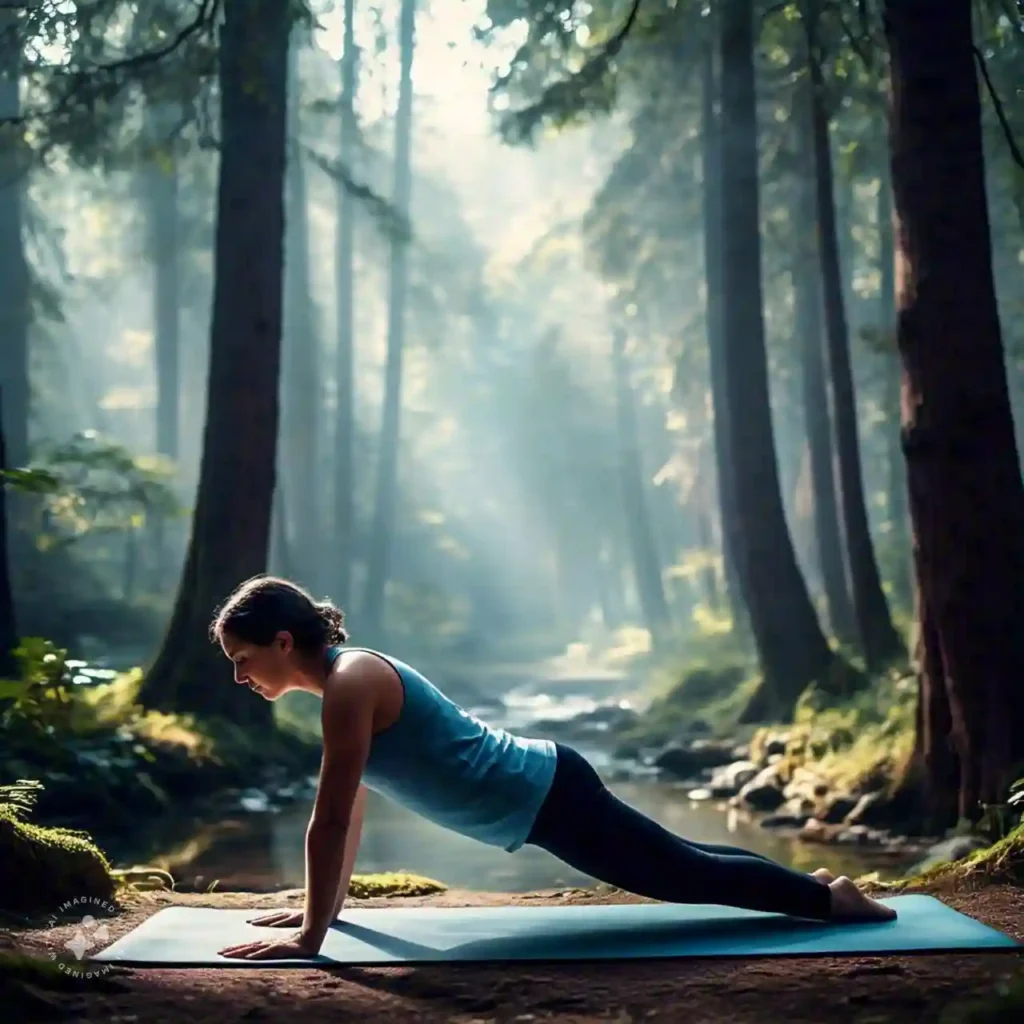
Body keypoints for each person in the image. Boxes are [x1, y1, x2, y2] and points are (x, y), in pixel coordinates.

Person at [213, 575, 896, 961]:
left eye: (243, 659)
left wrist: (308, 940)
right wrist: (319, 914)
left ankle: (831, 902)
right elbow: (352, 806)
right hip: (540, 794)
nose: (240, 677)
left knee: (684, 874)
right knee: (682, 859)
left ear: (282, 640)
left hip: (542, 794)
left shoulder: (352, 682)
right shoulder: (341, 690)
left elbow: (329, 818)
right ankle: (820, 886)